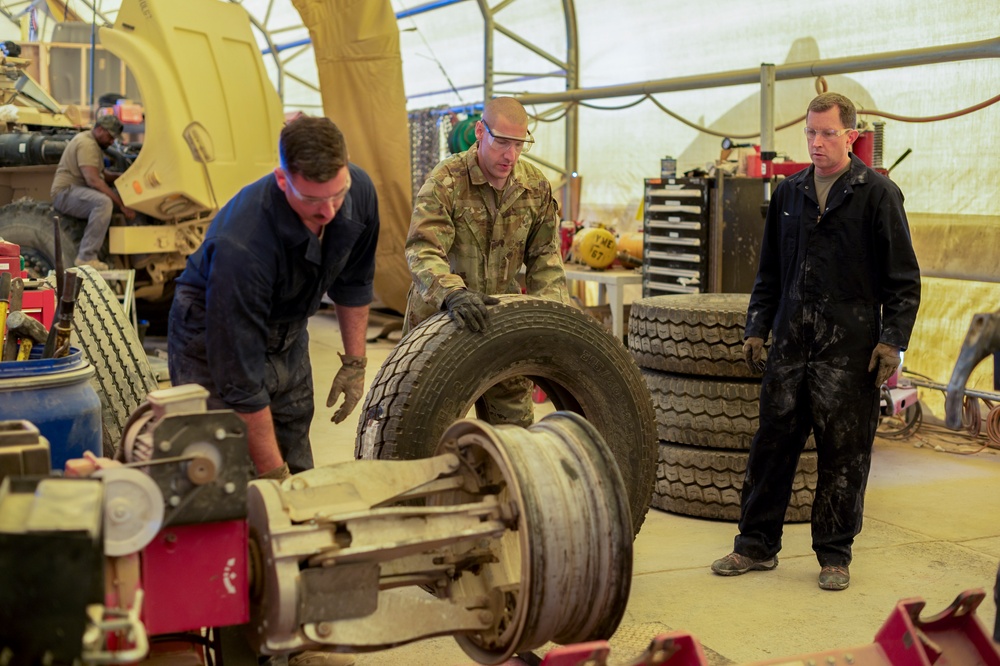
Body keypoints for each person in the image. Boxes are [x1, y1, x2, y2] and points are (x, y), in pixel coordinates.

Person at [711, 92, 921, 591]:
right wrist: (756, 327)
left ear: (851, 136)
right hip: (789, 346)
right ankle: (755, 546)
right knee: (771, 447)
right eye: (810, 132)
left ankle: (834, 554)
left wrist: (891, 342)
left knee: (844, 454)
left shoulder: (877, 194)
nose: (817, 142)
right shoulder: (790, 194)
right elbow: (768, 271)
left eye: (827, 133)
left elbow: (904, 280)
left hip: (848, 352)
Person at [168, 115, 378, 484]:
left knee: (294, 441)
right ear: (283, 180)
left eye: (337, 193)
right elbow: (241, 384)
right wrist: (275, 479)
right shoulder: (243, 244)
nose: (329, 210)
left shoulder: (358, 189)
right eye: (313, 199)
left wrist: (356, 362)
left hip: (289, 330)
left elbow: (355, 281)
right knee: (219, 471)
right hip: (210, 332)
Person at [404, 96, 571, 426]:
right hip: (441, 319)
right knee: (426, 425)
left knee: (514, 433)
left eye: (519, 144)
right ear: (480, 131)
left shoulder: (534, 187)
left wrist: (550, 317)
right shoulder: (446, 181)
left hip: (499, 319)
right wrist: (452, 293)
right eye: (502, 142)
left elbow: (546, 260)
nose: (510, 155)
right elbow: (422, 249)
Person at [50, 115, 136, 270]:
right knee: (103, 203)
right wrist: (121, 205)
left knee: (113, 198)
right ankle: (86, 257)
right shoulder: (86, 144)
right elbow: (93, 180)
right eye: (110, 137)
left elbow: (102, 175)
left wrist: (121, 178)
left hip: (78, 191)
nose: (111, 142)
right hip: (65, 192)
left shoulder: (94, 144)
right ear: (100, 129)